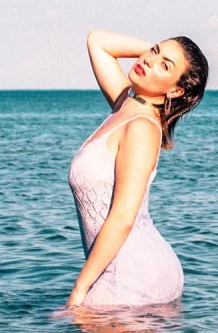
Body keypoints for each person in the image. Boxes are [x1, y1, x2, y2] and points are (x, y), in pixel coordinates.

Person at [66, 29, 208, 308]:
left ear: (175, 90)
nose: (149, 61)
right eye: (153, 51)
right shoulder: (125, 105)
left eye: (165, 66)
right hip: (125, 268)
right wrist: (158, 54)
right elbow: (97, 41)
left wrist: (80, 288)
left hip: (132, 274)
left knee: (76, 332)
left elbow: (123, 217)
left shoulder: (142, 128)